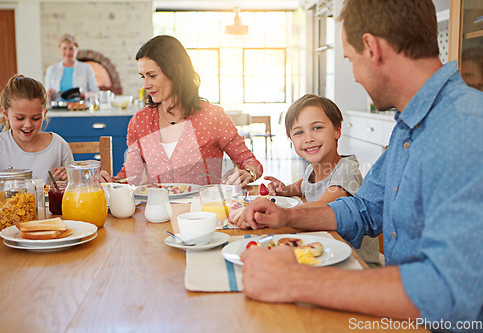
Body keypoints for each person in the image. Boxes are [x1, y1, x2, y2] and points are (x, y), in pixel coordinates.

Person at [239, 0, 483, 329]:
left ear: (371, 47)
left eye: (351, 60)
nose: (354, 76)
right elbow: (364, 208)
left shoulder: (466, 127)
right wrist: (288, 215)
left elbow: (450, 293)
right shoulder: (409, 127)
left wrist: (296, 281)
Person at [229, 94, 381, 265]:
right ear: (291, 140)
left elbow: (324, 205)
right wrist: (286, 189)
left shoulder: (346, 170)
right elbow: (305, 185)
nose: (309, 138)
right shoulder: (313, 168)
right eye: (299, 132)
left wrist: (277, 213)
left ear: (337, 130)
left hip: (355, 261)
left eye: (317, 128)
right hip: (324, 250)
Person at [100, 35, 262, 187]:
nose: (145, 85)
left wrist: (248, 172)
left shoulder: (213, 116)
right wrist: (110, 182)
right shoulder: (140, 121)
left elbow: (251, 162)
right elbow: (131, 177)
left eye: (152, 75)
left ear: (177, 71)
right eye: (143, 76)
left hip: (203, 213)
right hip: (156, 215)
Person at [0, 75, 73, 181]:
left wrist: (70, 178)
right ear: (5, 114)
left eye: (36, 118)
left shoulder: (58, 145)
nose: (28, 125)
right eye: (20, 118)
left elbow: (76, 185)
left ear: (44, 114)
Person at [44, 34, 99, 101]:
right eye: (64, 48)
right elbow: (45, 97)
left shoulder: (86, 68)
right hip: (58, 109)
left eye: (71, 48)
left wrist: (86, 95)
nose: (68, 52)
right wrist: (49, 94)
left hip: (80, 108)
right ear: (60, 49)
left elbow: (96, 93)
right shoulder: (51, 70)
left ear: (76, 49)